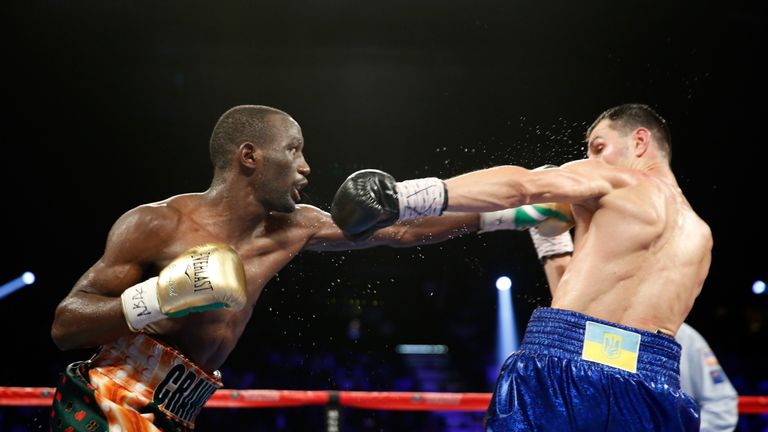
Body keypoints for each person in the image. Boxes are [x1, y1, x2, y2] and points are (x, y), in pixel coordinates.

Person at [49, 104, 491, 432]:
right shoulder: (157, 223)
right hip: (110, 399)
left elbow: (403, 232)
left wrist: (512, 211)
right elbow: (66, 325)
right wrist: (159, 297)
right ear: (249, 155)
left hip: (175, 411)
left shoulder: (295, 226)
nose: (305, 166)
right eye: (294, 150)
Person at [331, 103, 712, 430]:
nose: (590, 161)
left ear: (640, 142)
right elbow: (594, 313)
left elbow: (523, 184)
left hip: (563, 361)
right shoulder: (700, 236)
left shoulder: (620, 179)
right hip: (653, 384)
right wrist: (552, 240)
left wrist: (404, 195)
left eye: (598, 147)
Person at [523, 227, 738, 432]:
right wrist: (548, 236)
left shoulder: (684, 338)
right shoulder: (594, 323)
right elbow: (571, 310)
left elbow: (721, 404)